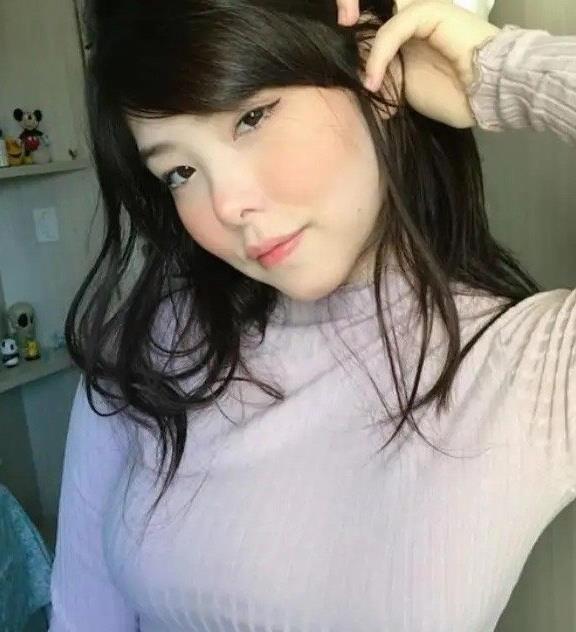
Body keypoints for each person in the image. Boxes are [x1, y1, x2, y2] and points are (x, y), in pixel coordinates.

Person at [49, 0, 576, 629]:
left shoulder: (531, 368)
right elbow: (81, 615)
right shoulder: (152, 349)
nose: (228, 205)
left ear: (377, 76)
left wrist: (500, 69)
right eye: (180, 170)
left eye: (251, 117)